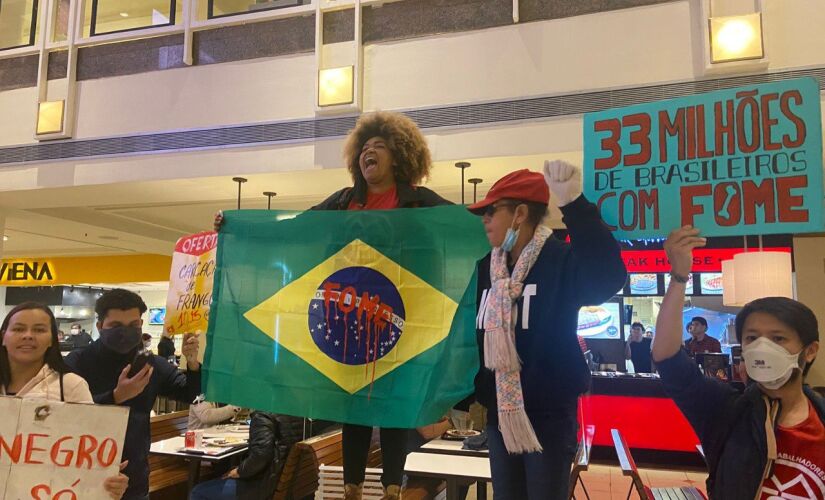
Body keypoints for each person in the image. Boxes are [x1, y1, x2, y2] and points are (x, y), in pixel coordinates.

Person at [214, 111, 450, 500]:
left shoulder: (419, 202)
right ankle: (352, 489)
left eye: (380, 146)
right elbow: (296, 225)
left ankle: (393, 488)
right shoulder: (343, 202)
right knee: (352, 403)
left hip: (398, 319)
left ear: (400, 157)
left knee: (392, 403)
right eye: (364, 147)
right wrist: (239, 226)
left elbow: (464, 222)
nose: (368, 152)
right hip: (346, 318)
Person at [468, 162, 626, 500]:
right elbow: (478, 338)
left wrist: (574, 205)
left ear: (520, 213)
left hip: (548, 416)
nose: (484, 220)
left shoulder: (559, 260)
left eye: (491, 211)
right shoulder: (488, 268)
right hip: (500, 417)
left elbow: (607, 276)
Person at [652, 226, 825, 499]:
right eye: (752, 337)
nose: (762, 347)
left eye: (778, 339)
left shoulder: (820, 421)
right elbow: (667, 357)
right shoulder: (726, 411)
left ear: (810, 351)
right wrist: (679, 276)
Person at [66, 289, 202, 500]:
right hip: (78, 476)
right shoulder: (78, 361)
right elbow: (62, 412)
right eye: (116, 326)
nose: (125, 332)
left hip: (134, 480)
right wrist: (115, 397)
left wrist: (192, 362)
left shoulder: (151, 364)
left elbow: (191, 395)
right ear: (100, 326)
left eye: (133, 326)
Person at [0, 302, 129, 499]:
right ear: (3, 336)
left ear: (52, 339)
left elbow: (89, 453)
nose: (28, 335)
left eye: (39, 329)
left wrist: (107, 478)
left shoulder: (71, 386)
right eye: (18, 328)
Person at [189, 412, 312, 500]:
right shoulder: (300, 413)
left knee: (198, 492)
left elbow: (261, 455)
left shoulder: (263, 415)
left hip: (265, 487)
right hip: (292, 483)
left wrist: (240, 471)